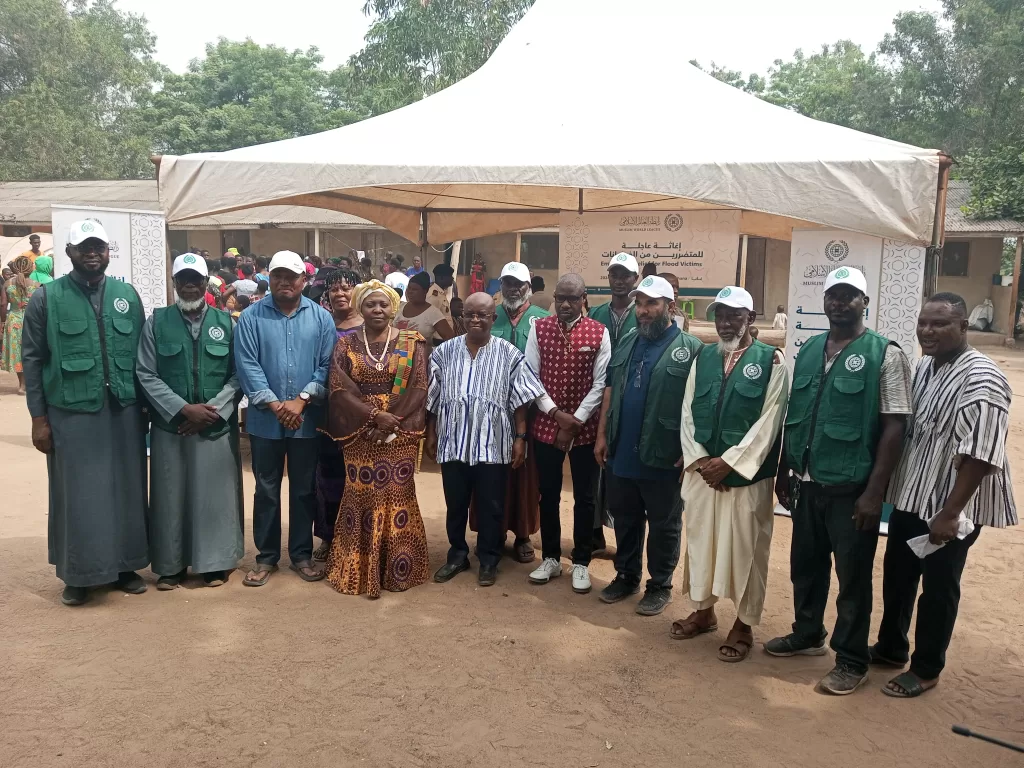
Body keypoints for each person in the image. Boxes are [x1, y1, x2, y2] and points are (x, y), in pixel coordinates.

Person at [766, 267, 911, 694]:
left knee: (853, 578)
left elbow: (895, 427)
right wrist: (785, 468)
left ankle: (851, 659)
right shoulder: (810, 348)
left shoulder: (885, 354)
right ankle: (808, 633)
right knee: (805, 568)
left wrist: (874, 493)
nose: (839, 302)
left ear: (865, 302)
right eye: (833, 295)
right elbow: (796, 415)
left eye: (849, 295)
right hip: (806, 483)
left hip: (852, 489)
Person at [872, 292, 1017, 699]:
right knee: (898, 574)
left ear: (964, 327)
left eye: (940, 324)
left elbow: (981, 455)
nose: (928, 331)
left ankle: (926, 669)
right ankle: (891, 648)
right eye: (923, 322)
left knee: (938, 587)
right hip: (912, 495)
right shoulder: (924, 366)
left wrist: (951, 514)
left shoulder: (982, 379)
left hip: (953, 505)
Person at [21, 220, 149, 606]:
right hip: (71, 412)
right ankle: (78, 574)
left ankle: (125, 566)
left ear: (108, 252)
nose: (92, 253)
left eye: (98, 246)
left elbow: (143, 359)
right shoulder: (47, 298)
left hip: (124, 409)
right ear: (69, 252)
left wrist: (146, 409)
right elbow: (33, 359)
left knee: (127, 490)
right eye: (84, 247)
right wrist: (39, 419)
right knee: (77, 494)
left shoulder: (127, 295)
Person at [675, 286, 789, 662]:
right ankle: (703, 611)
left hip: (747, 477)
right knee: (701, 542)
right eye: (720, 316)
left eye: (734, 316)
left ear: (750, 318)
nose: (725, 323)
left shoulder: (772, 360)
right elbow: (687, 412)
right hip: (703, 474)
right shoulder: (703, 357)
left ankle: (743, 624)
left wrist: (730, 463)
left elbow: (770, 420)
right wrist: (701, 460)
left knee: (747, 550)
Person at [594, 276, 703, 614]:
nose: (643, 310)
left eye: (651, 303)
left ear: (670, 306)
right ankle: (627, 576)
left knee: (663, 523)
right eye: (640, 304)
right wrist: (602, 435)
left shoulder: (691, 348)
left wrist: (691, 449)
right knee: (625, 517)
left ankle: (659, 585)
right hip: (622, 448)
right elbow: (610, 388)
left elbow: (700, 404)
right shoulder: (628, 340)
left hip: (664, 453)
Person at [136, 254, 243, 589]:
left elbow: (239, 375)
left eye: (196, 279)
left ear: (206, 282)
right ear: (174, 283)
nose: (190, 285)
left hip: (214, 426)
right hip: (172, 426)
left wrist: (212, 411)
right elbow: (146, 373)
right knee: (170, 497)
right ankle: (171, 566)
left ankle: (215, 563)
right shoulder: (156, 322)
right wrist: (184, 409)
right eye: (183, 279)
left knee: (215, 497)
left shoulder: (228, 323)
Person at [428, 292, 546, 586]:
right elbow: (433, 397)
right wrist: (431, 433)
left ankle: (489, 558)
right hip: (453, 442)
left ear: (493, 318)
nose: (475, 320)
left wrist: (520, 437)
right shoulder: (444, 352)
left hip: (493, 445)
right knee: (455, 504)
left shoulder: (509, 354)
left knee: (492, 505)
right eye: (469, 314)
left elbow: (520, 400)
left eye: (482, 315)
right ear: (462, 317)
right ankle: (457, 555)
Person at [234, 250, 337, 587]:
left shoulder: (321, 318)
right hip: (266, 420)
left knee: (304, 489)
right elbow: (247, 364)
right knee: (266, 489)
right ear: (270, 278)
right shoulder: (251, 317)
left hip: (306, 419)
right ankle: (266, 557)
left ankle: (301, 555)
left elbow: (327, 365)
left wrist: (302, 400)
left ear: (303, 280)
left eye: (291, 276)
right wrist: (277, 405)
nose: (284, 282)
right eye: (277, 275)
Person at [323, 280, 431, 597]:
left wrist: (389, 421)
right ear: (361, 307)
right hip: (360, 431)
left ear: (393, 308)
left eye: (384, 304)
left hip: (399, 430)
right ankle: (357, 571)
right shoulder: (345, 345)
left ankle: (398, 570)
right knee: (361, 494)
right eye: (370, 304)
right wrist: (372, 416)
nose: (378, 310)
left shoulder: (412, 342)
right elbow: (338, 387)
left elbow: (419, 386)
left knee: (398, 494)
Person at [525, 274, 610, 594]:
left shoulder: (599, 332)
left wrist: (576, 420)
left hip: (584, 428)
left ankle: (581, 561)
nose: (564, 304)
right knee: (547, 493)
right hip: (547, 423)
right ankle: (550, 558)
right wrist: (556, 415)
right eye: (560, 297)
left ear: (583, 299)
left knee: (585, 497)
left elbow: (600, 383)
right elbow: (531, 377)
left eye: (572, 298)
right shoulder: (539, 328)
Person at [479, 261, 550, 562]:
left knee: (525, 476)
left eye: (518, 284)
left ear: (528, 287)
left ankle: (522, 534)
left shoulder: (542, 319)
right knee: (490, 472)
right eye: (507, 283)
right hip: (491, 410)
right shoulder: (488, 316)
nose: (512, 289)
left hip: (531, 411)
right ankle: (492, 532)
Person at [588, 252, 641, 551]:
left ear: (636, 279)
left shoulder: (643, 313)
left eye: (625, 276)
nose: (619, 281)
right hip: (599, 402)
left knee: (622, 473)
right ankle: (595, 533)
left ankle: (624, 541)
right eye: (614, 275)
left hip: (631, 403)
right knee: (596, 470)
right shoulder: (596, 314)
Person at [312, 268, 364, 562]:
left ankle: (357, 538)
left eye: (347, 288)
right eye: (334, 289)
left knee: (359, 479)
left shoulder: (371, 324)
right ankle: (328, 537)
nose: (340, 293)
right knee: (328, 478)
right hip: (327, 416)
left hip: (361, 415)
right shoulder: (322, 325)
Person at [2, 256, 40, 394]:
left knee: (17, 352)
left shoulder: (7, 284)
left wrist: (3, 321)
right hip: (32, 320)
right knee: (32, 351)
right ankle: (31, 384)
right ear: (31, 269)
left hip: (14, 320)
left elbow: (3, 304)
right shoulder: (37, 285)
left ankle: (22, 385)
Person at [394, 271, 454, 344]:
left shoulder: (433, 313)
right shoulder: (400, 307)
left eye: (414, 289)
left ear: (425, 291)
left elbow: (450, 338)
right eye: (409, 288)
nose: (410, 291)